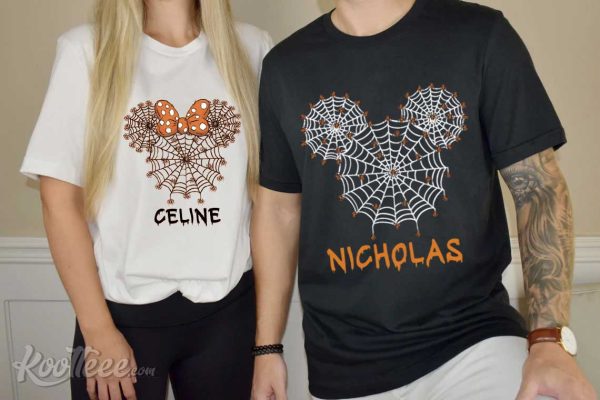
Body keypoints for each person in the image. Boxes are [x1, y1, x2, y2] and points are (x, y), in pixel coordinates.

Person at [251, 0, 596, 399]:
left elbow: (538, 188)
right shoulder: (285, 67)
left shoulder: (479, 34)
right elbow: (277, 210)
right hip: (345, 365)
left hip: (474, 343)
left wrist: (548, 339)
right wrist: (266, 348)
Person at [20, 0, 271, 399]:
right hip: (119, 316)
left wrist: (268, 344)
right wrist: (98, 329)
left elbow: (271, 204)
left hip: (229, 314)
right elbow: (59, 200)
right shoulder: (86, 50)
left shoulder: (253, 47)